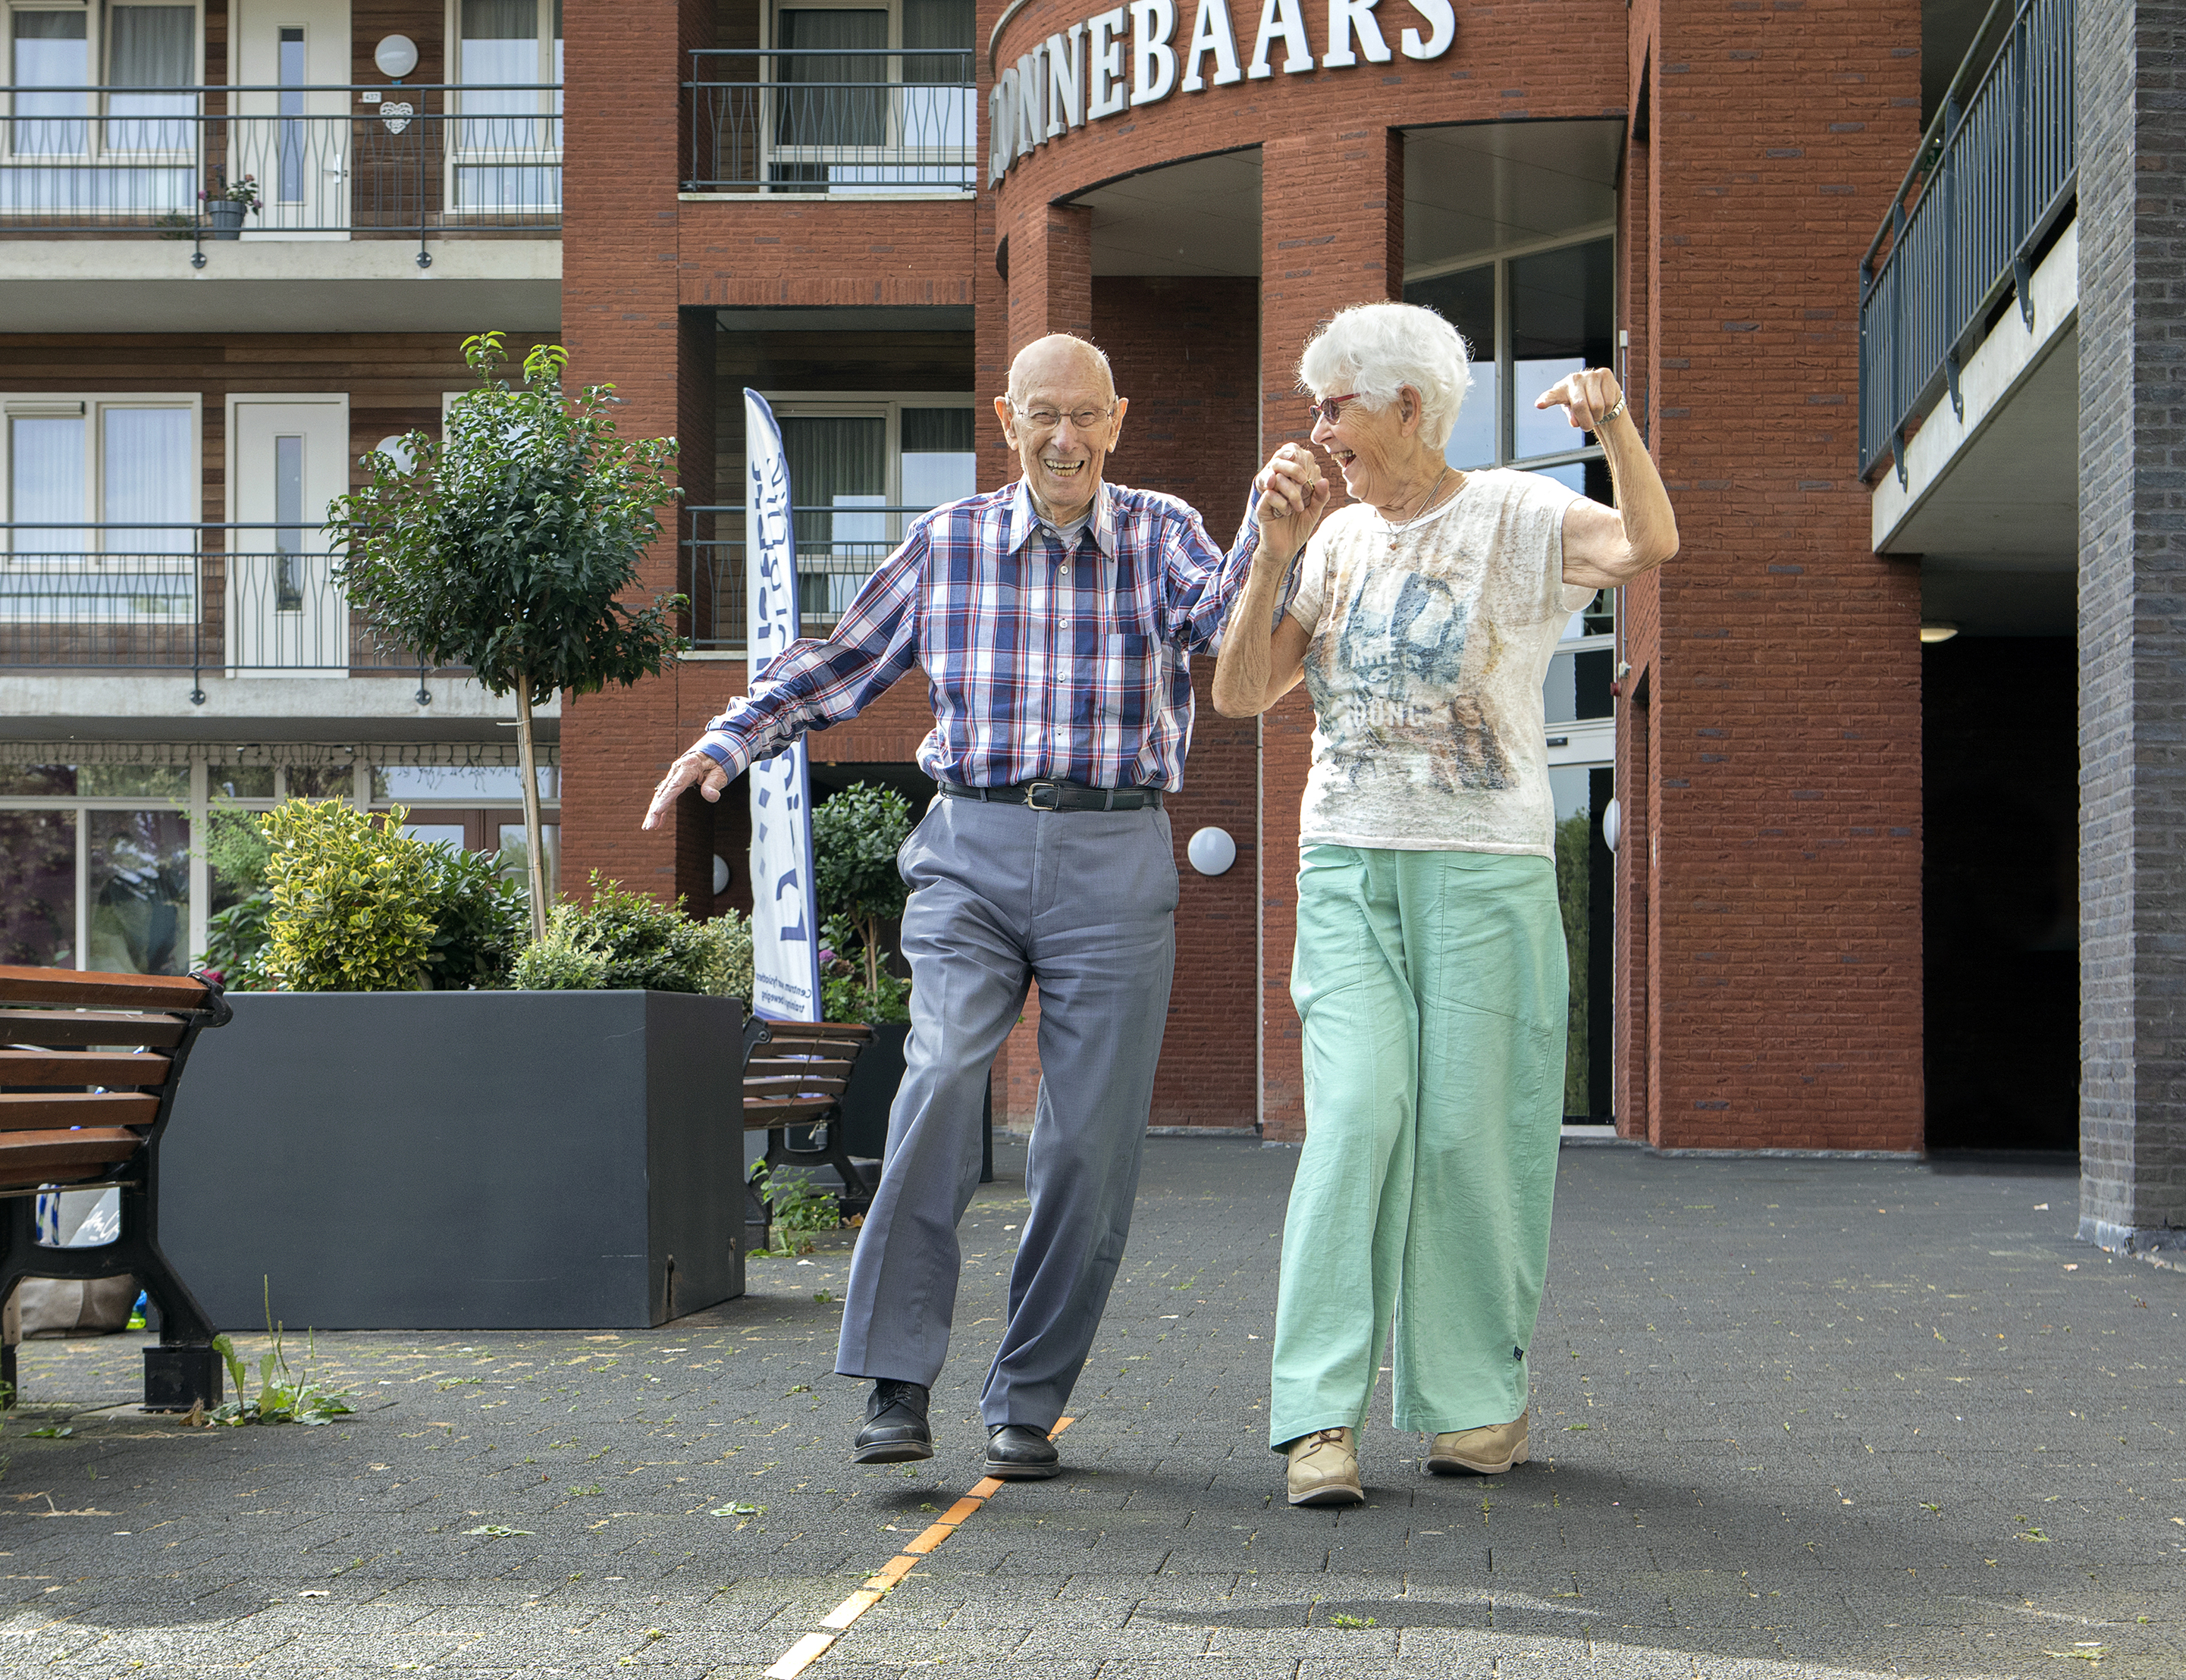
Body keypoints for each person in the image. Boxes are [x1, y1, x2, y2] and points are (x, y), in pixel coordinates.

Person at [642, 334, 1304, 1479]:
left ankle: (1027, 1401)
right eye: (1042, 414)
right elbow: (840, 661)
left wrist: (1270, 520)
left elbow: (1221, 623)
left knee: (1089, 1149)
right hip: (971, 846)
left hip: (1116, 849)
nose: (1064, 437)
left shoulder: (1157, 532)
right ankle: (898, 1379)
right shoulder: (944, 544)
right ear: (1007, 420)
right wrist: (728, 735)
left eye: (1085, 416)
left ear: (1117, 419)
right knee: (944, 1075)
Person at [1210, 302, 1678, 1508]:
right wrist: (1269, 551)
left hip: (1486, 868)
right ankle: (1318, 1415)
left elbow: (1647, 545)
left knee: (1475, 1136)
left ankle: (1476, 1401)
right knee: (1358, 1116)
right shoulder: (1334, 539)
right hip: (1350, 867)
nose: (1319, 430)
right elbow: (1241, 693)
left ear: (1406, 406)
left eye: (1336, 406)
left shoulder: (1514, 512)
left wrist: (1615, 422)